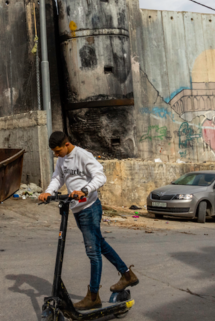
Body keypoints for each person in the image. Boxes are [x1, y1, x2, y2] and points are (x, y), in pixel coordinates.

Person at [38, 131, 139, 310]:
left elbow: (100, 176)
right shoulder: (62, 159)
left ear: (67, 145)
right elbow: (58, 178)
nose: (56, 155)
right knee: (99, 243)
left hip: (89, 208)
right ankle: (127, 274)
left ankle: (93, 296)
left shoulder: (83, 155)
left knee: (93, 252)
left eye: (57, 151)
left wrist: (84, 190)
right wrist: (48, 192)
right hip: (77, 208)